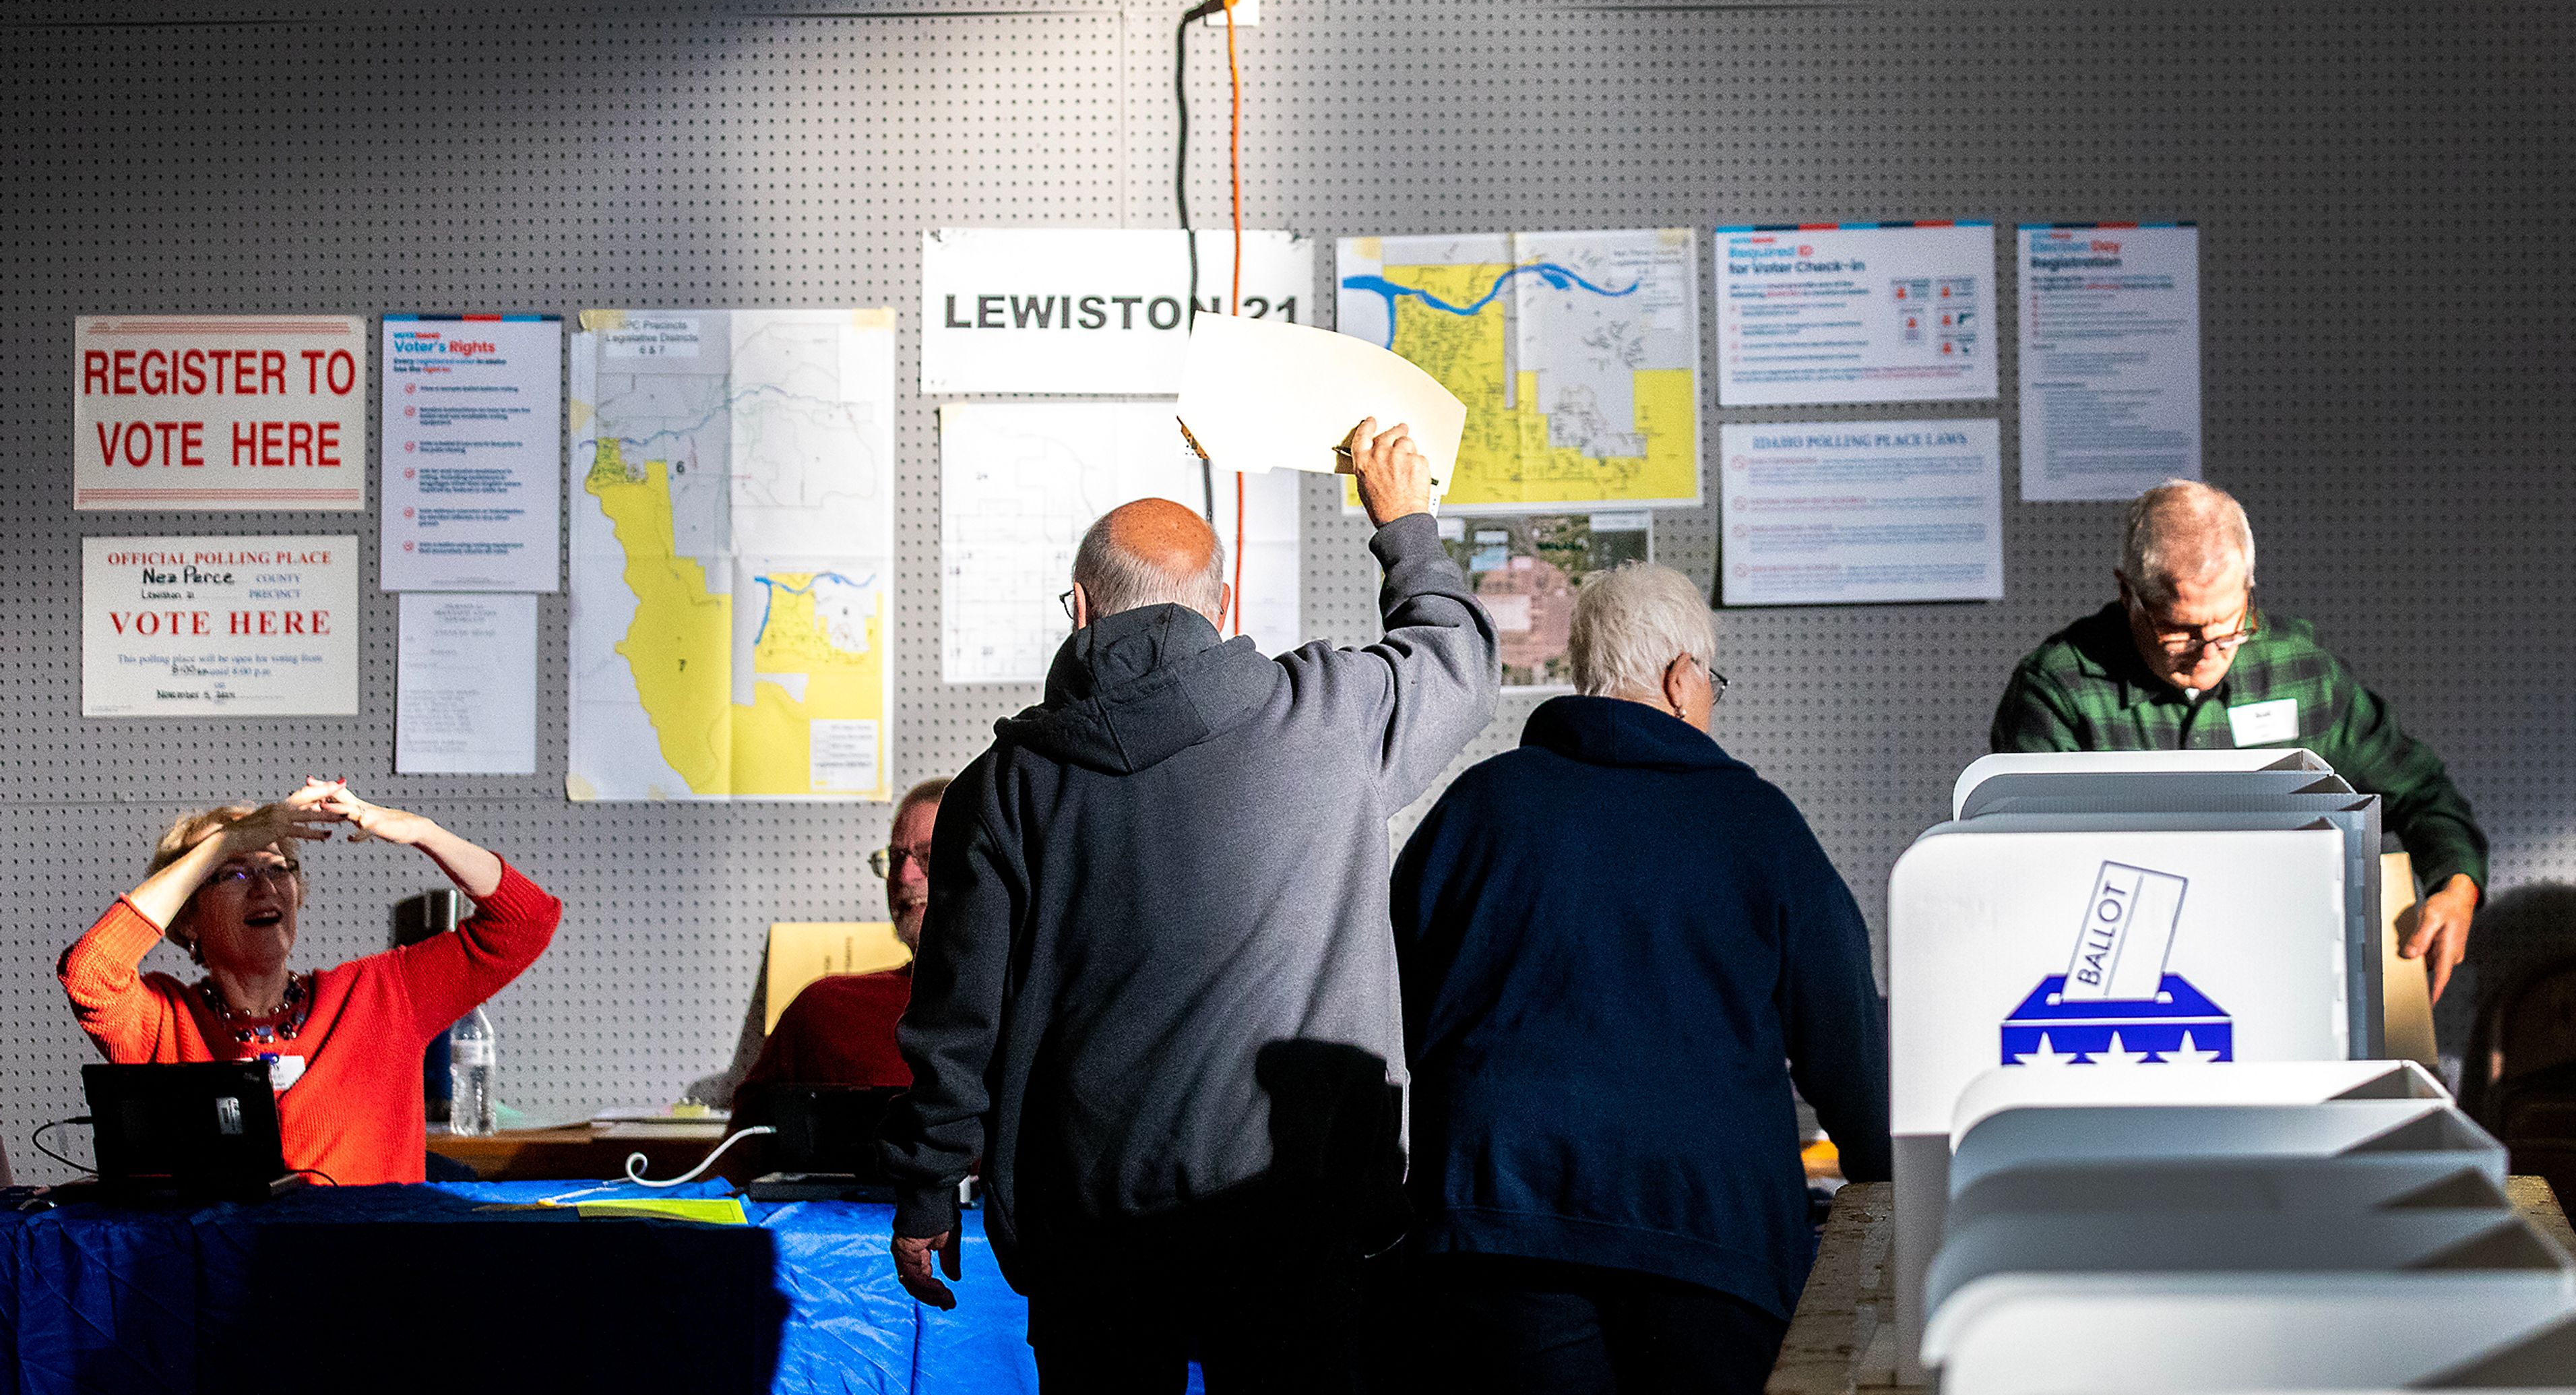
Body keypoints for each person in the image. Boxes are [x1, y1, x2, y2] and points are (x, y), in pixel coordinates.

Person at [882, 417, 1499, 1392]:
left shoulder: (1003, 784)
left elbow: (959, 1018)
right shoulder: (1330, 718)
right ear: (1224, 606)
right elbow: (1456, 661)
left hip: (1092, 1236)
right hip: (1302, 1223)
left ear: (1080, 608)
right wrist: (1405, 523)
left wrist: (926, 1187)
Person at [1389, 561, 1891, 1395]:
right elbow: (1844, 1038)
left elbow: (1391, 1006)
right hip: (1705, 1236)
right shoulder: (1755, 824)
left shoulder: (1478, 808)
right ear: (1678, 677)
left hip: (1497, 1227)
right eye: (1711, 681)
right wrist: (1885, 1172)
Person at [1992, 479, 2488, 998]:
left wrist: (2456, 884)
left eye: (2229, 624)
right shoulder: (2057, 693)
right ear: (2127, 593)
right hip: (2124, 979)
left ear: (2248, 586)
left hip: (2283, 966)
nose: (2209, 651)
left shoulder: (2300, 672)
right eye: (2180, 629)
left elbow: (2421, 792)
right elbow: (2031, 871)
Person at [57, 778, 561, 1185]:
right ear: (186, 917)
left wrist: (427, 832)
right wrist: (224, 840)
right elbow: (88, 971)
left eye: (280, 868)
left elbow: (526, 922)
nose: (265, 886)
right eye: (233, 871)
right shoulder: (163, 1023)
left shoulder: (381, 996)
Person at [731, 776, 949, 1102]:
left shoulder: (1034, 1011)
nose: (904, 876)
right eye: (897, 857)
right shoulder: (826, 1012)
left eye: (928, 857)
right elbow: (749, 1143)